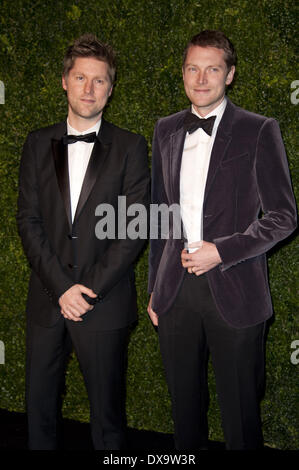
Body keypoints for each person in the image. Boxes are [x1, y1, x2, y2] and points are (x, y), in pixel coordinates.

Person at [147, 30, 297, 450]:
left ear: (229, 75)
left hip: (236, 290)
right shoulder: (165, 130)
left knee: (241, 417)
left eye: (212, 69)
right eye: (193, 68)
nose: (201, 78)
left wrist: (222, 251)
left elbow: (284, 217)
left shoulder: (259, 130)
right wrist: (154, 289)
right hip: (175, 293)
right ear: (183, 73)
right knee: (183, 414)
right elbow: (161, 213)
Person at [17, 34, 149, 450]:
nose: (88, 89)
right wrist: (62, 287)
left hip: (103, 303)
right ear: (64, 82)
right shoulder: (37, 143)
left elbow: (133, 229)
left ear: (111, 88)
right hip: (47, 299)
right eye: (80, 77)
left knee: (108, 421)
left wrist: (85, 291)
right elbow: (29, 220)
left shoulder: (131, 146)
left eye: (99, 80)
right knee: (38, 413)